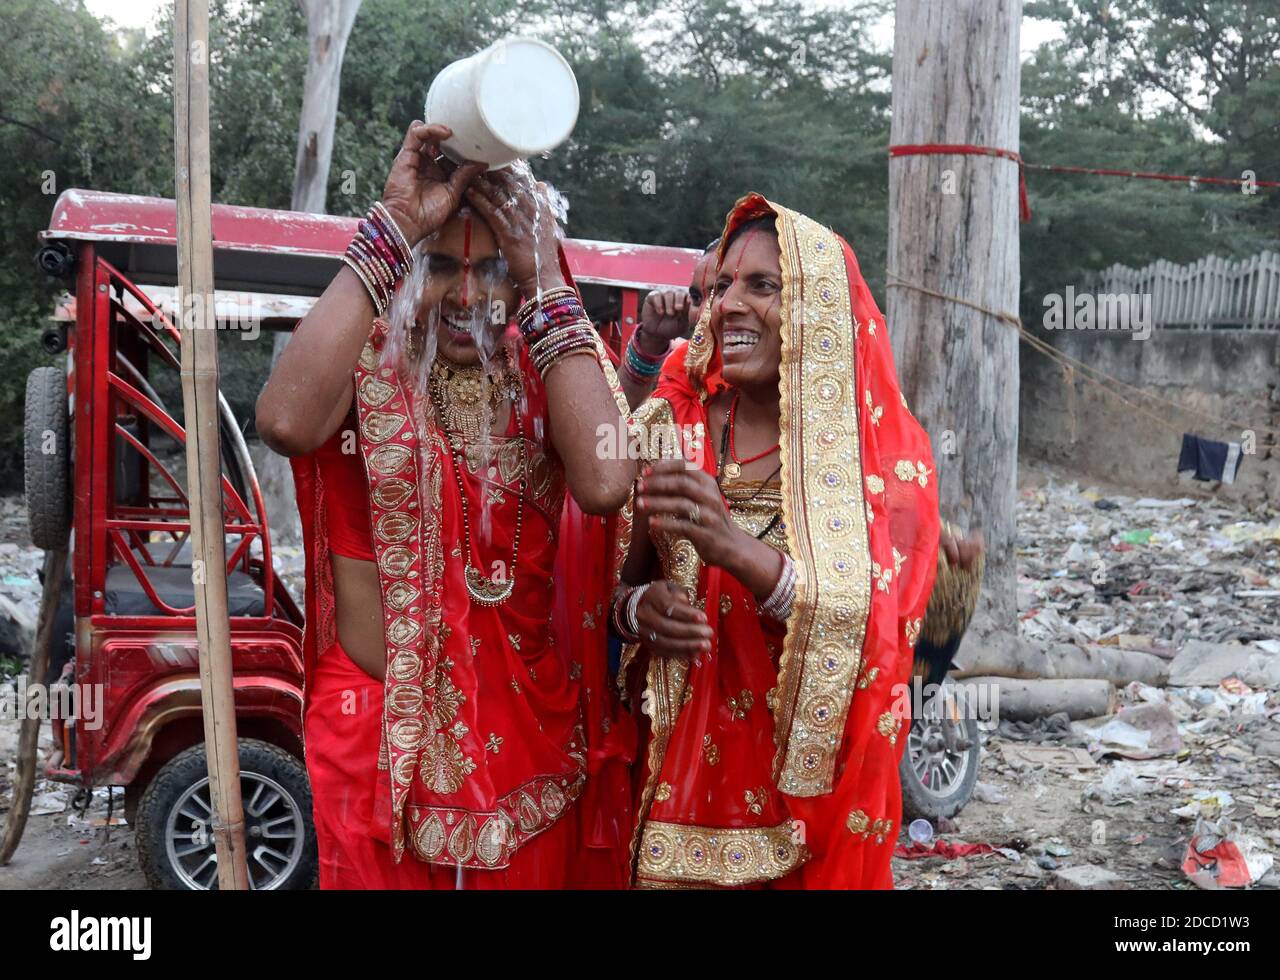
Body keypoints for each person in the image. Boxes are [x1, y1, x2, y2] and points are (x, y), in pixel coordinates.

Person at [256, 122, 636, 889]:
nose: (467, 295)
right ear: (403, 271)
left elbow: (603, 482)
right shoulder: (366, 363)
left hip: (529, 739)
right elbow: (286, 423)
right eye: (438, 267)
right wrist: (396, 225)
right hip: (377, 739)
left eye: (492, 270)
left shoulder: (548, 369)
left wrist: (547, 282)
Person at [611, 192, 956, 889]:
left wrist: (733, 548)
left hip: (806, 821)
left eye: (762, 285)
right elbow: (606, 586)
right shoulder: (670, 424)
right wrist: (636, 609)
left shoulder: (882, 461)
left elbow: (875, 642)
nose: (729, 305)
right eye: (720, 288)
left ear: (820, 304)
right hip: (668, 802)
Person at [617, 238, 721, 410]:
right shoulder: (681, 374)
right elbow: (611, 430)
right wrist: (651, 341)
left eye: (719, 292)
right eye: (696, 298)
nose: (702, 314)